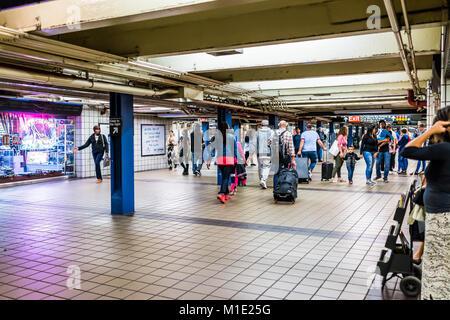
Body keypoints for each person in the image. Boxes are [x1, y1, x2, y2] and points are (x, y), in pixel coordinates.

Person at [401, 106, 450, 300]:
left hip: (443, 218)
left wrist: (430, 132)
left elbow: (407, 151)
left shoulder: (445, 148)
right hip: (444, 214)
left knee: (438, 265)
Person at [269, 120, 296, 187]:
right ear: (286, 126)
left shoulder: (274, 133)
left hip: (276, 157)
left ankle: (276, 189)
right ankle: (283, 189)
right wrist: (293, 159)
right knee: (285, 172)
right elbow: (291, 147)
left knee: (276, 173)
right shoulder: (288, 133)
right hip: (285, 157)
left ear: (279, 125)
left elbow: (268, 143)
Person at [216, 122, 237, 204]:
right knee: (226, 177)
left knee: (225, 176)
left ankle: (226, 194)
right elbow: (235, 149)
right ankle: (221, 193)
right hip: (229, 159)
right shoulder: (232, 137)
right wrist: (237, 159)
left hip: (220, 160)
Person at [256, 120, 272, 189]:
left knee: (260, 167)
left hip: (259, 153)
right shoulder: (271, 132)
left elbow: (255, 143)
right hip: (268, 153)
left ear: (261, 125)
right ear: (267, 125)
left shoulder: (257, 132)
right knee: (266, 167)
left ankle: (261, 179)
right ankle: (263, 180)